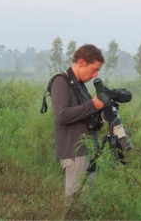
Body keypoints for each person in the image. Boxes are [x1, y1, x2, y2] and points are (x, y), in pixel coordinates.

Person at [50, 44, 105, 203]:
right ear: (81, 62)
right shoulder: (61, 82)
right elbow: (61, 115)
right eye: (94, 69)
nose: (95, 75)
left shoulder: (79, 85)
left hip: (86, 152)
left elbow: (83, 113)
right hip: (75, 154)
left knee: (87, 203)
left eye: (98, 71)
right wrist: (92, 105)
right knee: (75, 206)